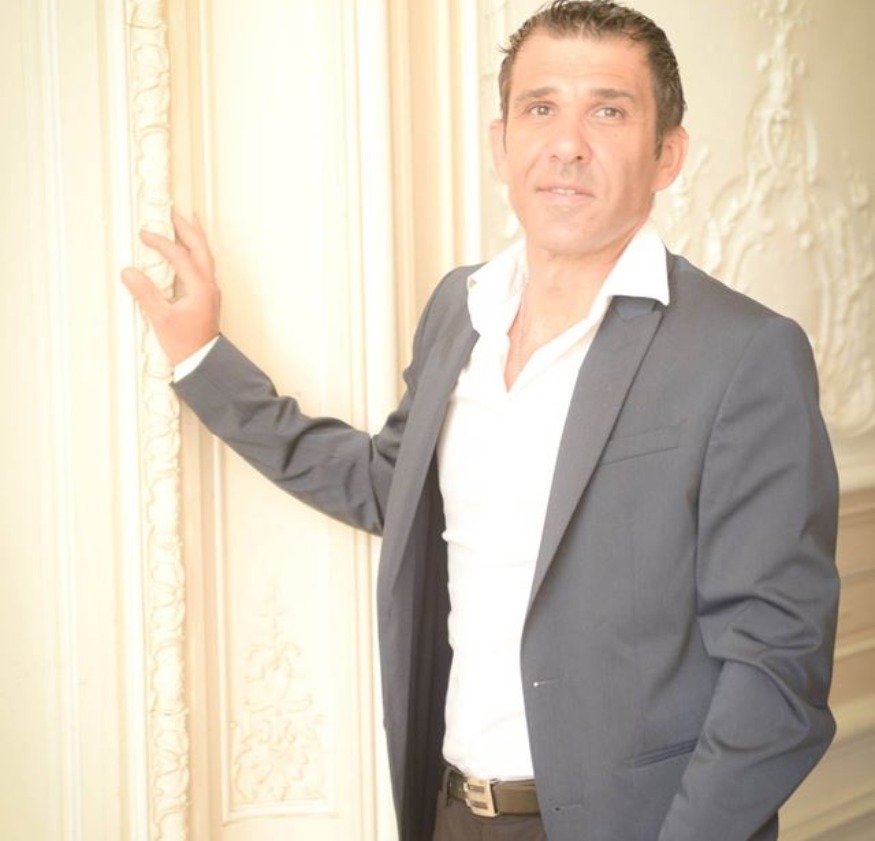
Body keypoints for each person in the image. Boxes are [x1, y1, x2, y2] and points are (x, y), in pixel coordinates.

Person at [121, 2, 840, 839]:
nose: (566, 143)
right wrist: (205, 361)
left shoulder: (742, 352)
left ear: (667, 154)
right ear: (501, 144)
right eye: (540, 108)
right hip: (452, 812)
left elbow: (776, 671)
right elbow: (389, 486)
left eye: (608, 111)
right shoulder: (459, 310)